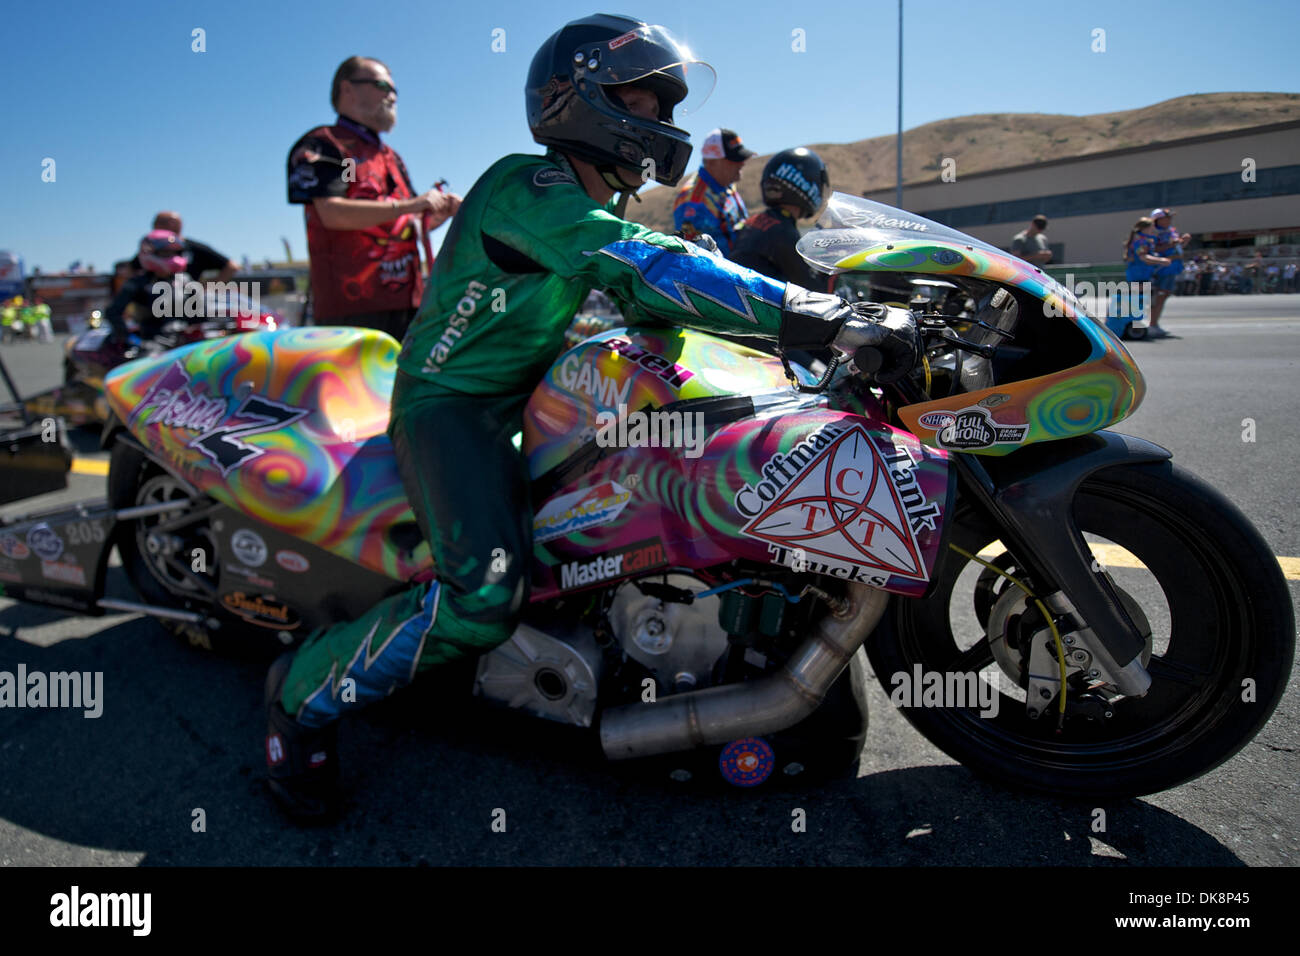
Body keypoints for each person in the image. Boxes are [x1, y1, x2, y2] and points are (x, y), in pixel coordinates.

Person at [261, 13, 920, 822]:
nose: (660, 125)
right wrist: (816, 314)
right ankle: (300, 703)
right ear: (578, 101)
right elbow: (640, 261)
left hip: (531, 394)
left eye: (663, 108)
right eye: (641, 103)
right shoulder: (528, 186)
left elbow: (647, 286)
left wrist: (806, 336)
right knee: (482, 598)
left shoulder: (576, 203)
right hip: (452, 406)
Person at [287, 56, 460, 341]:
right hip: (351, 312)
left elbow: (408, 225)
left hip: (411, 306)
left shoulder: (392, 157)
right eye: (382, 86)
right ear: (348, 89)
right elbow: (332, 213)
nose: (392, 96)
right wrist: (413, 205)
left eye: (395, 90)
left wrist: (440, 212)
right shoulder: (324, 144)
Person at [730, 147, 830, 289]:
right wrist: (829, 273)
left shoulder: (756, 221)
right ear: (804, 184)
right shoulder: (782, 232)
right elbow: (811, 290)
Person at [671, 127, 755, 256]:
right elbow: (697, 258)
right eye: (734, 160)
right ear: (711, 162)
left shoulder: (726, 183)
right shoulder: (693, 202)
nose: (741, 164)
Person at [103, 231, 194, 345]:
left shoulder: (185, 280)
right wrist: (129, 339)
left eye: (175, 253)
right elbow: (113, 312)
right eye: (165, 252)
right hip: (154, 345)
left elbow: (202, 312)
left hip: (186, 342)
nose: (173, 257)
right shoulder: (137, 283)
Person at [128, 211, 237, 283]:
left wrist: (206, 288)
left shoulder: (194, 248)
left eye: (166, 223)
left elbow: (231, 266)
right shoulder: (149, 251)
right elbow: (130, 271)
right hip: (153, 305)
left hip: (188, 304)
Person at [1122, 217, 1171, 337]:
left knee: (1140, 302)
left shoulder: (1143, 240)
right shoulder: (1141, 241)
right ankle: (1136, 326)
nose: (1153, 230)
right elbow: (1143, 257)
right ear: (1145, 228)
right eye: (1151, 227)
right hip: (1138, 275)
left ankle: (1139, 325)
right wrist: (1161, 260)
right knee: (1139, 302)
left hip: (1141, 274)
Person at [1149, 209, 1189, 327]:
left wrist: (1184, 241)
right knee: (1159, 295)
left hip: (1172, 267)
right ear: (1157, 220)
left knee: (1164, 295)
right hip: (1162, 269)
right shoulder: (1154, 232)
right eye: (1166, 217)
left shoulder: (1171, 230)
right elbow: (1154, 249)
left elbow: (1178, 247)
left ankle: (1155, 323)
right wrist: (1173, 244)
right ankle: (1153, 323)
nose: (1170, 220)